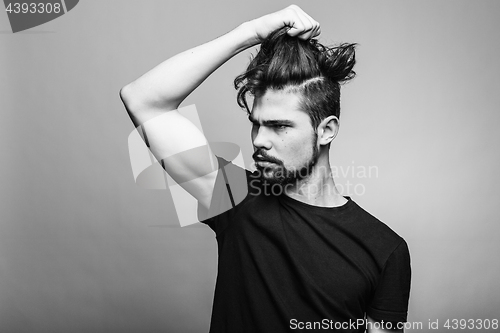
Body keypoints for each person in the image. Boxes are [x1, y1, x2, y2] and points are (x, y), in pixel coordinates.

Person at [120, 5, 411, 332]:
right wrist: (251, 32)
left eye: (279, 126)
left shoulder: (386, 248)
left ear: (326, 130)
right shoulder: (235, 199)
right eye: (255, 125)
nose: (259, 140)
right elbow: (142, 100)